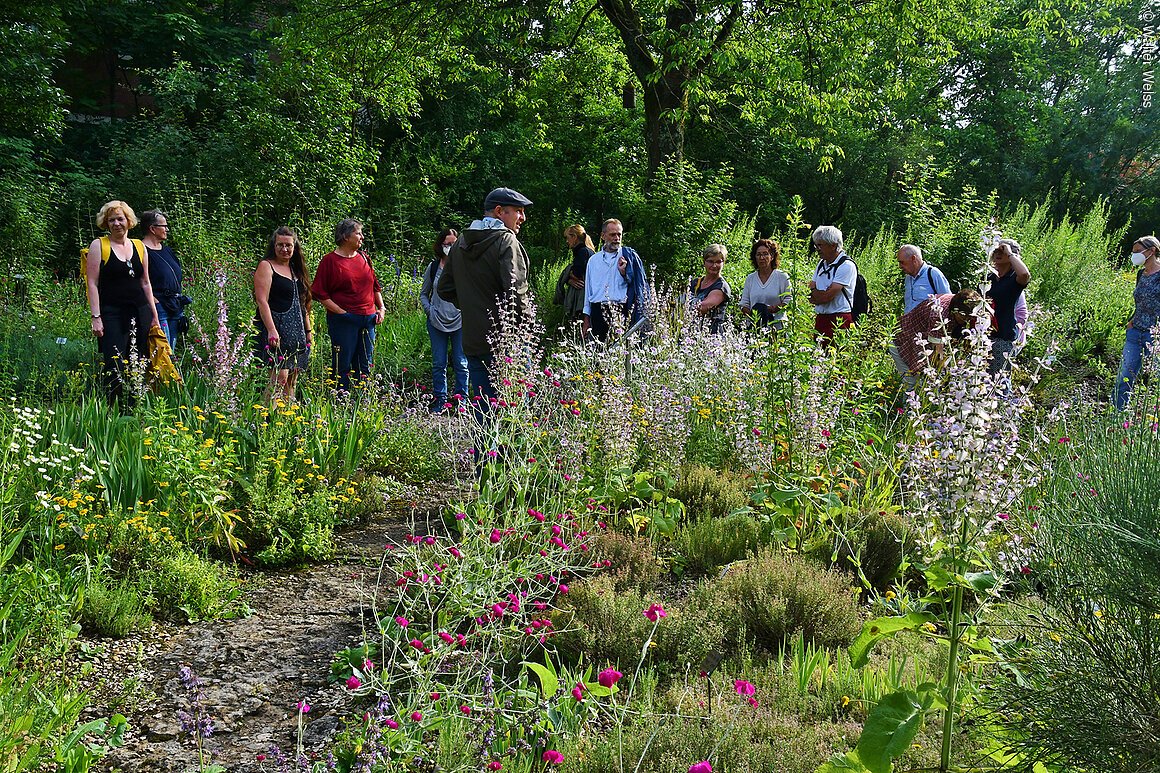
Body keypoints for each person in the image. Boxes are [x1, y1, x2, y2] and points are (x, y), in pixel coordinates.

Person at [437, 187, 535, 416]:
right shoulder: (506, 241)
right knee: (516, 411)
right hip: (506, 341)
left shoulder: (462, 242)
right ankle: (509, 453)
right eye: (518, 211)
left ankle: (484, 454)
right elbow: (515, 292)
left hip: (474, 338)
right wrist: (528, 326)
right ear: (500, 211)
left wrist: (473, 306)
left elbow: (444, 288)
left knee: (484, 410)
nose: (523, 218)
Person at [85, 200, 161, 406]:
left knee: (140, 360)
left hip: (140, 312)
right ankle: (113, 410)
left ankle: (136, 407)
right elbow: (92, 283)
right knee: (114, 363)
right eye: (111, 220)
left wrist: (154, 316)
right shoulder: (99, 245)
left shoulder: (139, 247)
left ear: (128, 221)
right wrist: (96, 317)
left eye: (120, 219)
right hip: (112, 314)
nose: (116, 223)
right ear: (106, 223)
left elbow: (146, 283)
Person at [311, 219, 385, 393]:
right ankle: (339, 401)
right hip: (344, 321)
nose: (362, 237)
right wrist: (342, 313)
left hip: (369, 319)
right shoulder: (330, 261)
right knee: (342, 365)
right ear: (345, 236)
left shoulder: (364, 257)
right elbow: (319, 293)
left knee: (365, 365)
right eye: (358, 233)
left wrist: (381, 308)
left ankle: (361, 401)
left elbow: (374, 285)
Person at [254, 226, 313, 404]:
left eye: (288, 245)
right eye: (280, 245)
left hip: (297, 331)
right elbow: (262, 301)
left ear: (295, 247)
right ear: (274, 245)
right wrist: (271, 330)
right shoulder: (267, 266)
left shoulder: (297, 270)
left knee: (292, 380)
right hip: (276, 328)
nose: (284, 249)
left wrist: (308, 332)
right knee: (278, 378)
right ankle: (267, 419)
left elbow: (303, 304)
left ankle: (286, 422)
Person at [891, 289, 984, 390]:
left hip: (922, 342)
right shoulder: (938, 315)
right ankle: (905, 406)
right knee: (912, 383)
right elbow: (938, 355)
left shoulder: (963, 302)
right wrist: (948, 378)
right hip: (903, 341)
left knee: (925, 383)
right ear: (956, 312)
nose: (967, 321)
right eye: (965, 318)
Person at [420, 228, 469, 413]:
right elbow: (424, 294)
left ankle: (461, 401)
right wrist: (429, 311)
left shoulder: (464, 267)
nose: (450, 247)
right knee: (438, 362)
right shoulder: (433, 267)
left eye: (453, 244)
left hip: (460, 321)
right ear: (440, 246)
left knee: (461, 362)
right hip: (436, 322)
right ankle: (440, 400)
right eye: (446, 244)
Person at [1113, 234, 1160, 409]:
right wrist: (1132, 320)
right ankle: (1118, 415)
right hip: (1135, 332)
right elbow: (1140, 301)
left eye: (1138, 252)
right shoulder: (1141, 274)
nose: (1135, 256)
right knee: (1124, 376)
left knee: (1155, 379)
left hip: (1155, 336)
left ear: (1152, 251)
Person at [583, 219, 648, 341]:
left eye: (619, 234)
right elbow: (588, 291)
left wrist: (624, 273)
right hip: (598, 311)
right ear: (603, 236)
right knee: (598, 353)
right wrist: (586, 319)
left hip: (621, 310)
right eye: (613, 234)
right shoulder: (593, 261)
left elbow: (637, 286)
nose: (617, 238)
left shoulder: (628, 257)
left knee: (621, 352)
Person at [984, 239, 1031, 375]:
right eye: (995, 251)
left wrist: (1009, 253)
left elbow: (1025, 275)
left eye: (1002, 251)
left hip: (1004, 338)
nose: (998, 253)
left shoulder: (1014, 279)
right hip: (985, 335)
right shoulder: (989, 278)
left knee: (999, 381)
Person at [140, 209, 186, 350]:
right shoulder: (141, 250)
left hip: (174, 304)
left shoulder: (166, 250)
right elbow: (138, 278)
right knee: (162, 347)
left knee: (172, 344)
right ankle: (161, 372)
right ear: (152, 229)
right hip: (159, 306)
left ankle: (169, 371)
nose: (166, 229)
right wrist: (153, 299)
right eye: (163, 226)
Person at [808, 225, 856, 345]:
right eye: (816, 245)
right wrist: (817, 292)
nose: (817, 249)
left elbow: (826, 297)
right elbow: (810, 292)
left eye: (821, 245)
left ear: (833, 245)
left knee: (837, 357)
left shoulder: (846, 265)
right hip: (821, 319)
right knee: (818, 358)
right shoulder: (821, 264)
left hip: (839, 320)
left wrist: (816, 292)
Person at [739, 238, 791, 329]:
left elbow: (789, 300)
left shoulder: (782, 277)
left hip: (777, 327)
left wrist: (775, 308)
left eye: (765, 254)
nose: (762, 258)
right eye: (758, 254)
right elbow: (744, 304)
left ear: (772, 256)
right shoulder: (750, 279)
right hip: (755, 327)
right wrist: (755, 314)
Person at [688, 244, 732, 334]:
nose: (714, 265)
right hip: (690, 332)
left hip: (711, 336)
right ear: (704, 262)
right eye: (710, 261)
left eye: (718, 262)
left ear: (724, 262)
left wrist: (680, 308)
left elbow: (703, 308)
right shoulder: (695, 282)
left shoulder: (721, 286)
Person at [555, 225, 593, 324]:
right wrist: (569, 279)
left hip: (582, 300)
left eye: (567, 238)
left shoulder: (583, 252)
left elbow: (577, 274)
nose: (567, 241)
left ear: (574, 237)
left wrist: (568, 275)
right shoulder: (585, 252)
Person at [898, 244, 951, 315]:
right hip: (910, 324)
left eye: (902, 262)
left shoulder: (933, 274)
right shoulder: (908, 278)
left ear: (913, 259)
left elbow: (947, 301)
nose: (900, 266)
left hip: (930, 324)